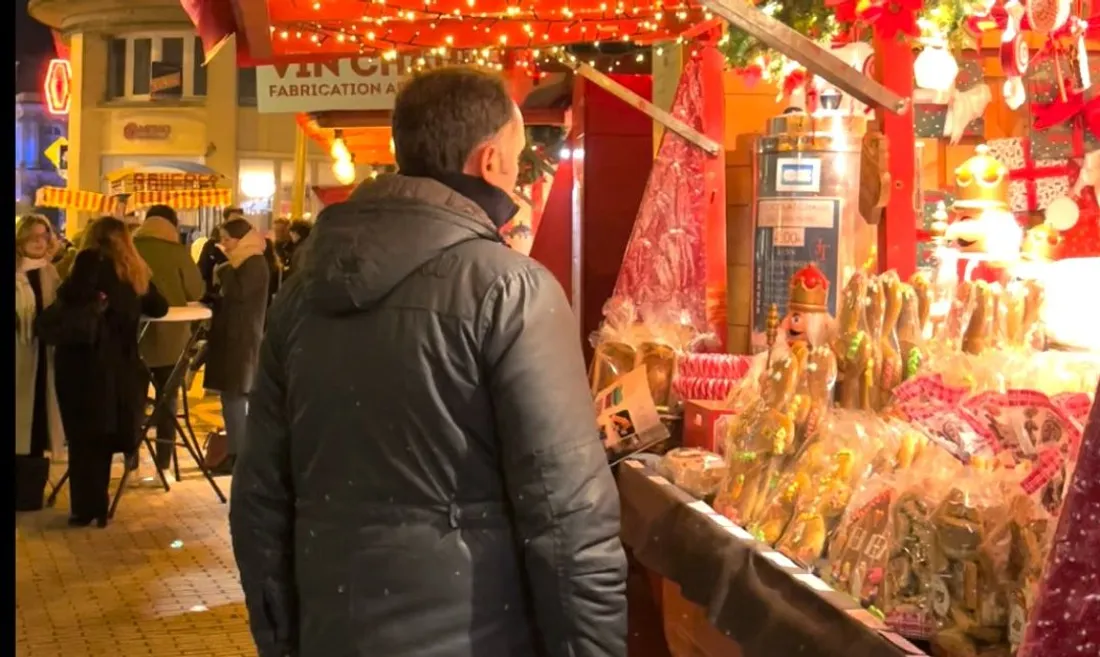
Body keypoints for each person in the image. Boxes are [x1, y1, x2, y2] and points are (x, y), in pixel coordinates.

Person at [231, 66, 627, 657]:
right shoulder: (511, 290)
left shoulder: (301, 293)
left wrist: (282, 639)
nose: (518, 179)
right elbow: (568, 516)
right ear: (491, 162)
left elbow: (258, 497)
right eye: (518, 160)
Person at [53, 217, 168, 527]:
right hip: (122, 365)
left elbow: (70, 296)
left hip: (84, 361)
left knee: (82, 436)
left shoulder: (89, 260)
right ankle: (99, 506)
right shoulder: (134, 269)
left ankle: (84, 508)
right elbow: (159, 307)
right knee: (103, 434)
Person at [133, 204, 205, 473]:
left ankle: (132, 456)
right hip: (173, 339)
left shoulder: (131, 247)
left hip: (134, 338)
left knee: (134, 397)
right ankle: (164, 457)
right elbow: (196, 289)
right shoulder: (177, 251)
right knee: (168, 398)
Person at [203, 218, 270, 475]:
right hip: (236, 337)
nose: (224, 245)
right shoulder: (245, 261)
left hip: (240, 339)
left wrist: (223, 269)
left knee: (234, 397)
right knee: (231, 396)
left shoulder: (252, 262)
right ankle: (236, 451)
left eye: (227, 240)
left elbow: (238, 295)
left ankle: (238, 455)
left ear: (241, 239)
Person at [15, 215, 67, 512]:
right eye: (32, 236)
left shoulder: (51, 274)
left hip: (42, 359)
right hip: (18, 357)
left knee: (36, 422)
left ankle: (29, 493)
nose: (38, 242)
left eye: (43, 236)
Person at [198, 224, 229, 294]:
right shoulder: (215, 246)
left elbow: (203, 264)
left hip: (209, 281)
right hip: (217, 283)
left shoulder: (209, 244)